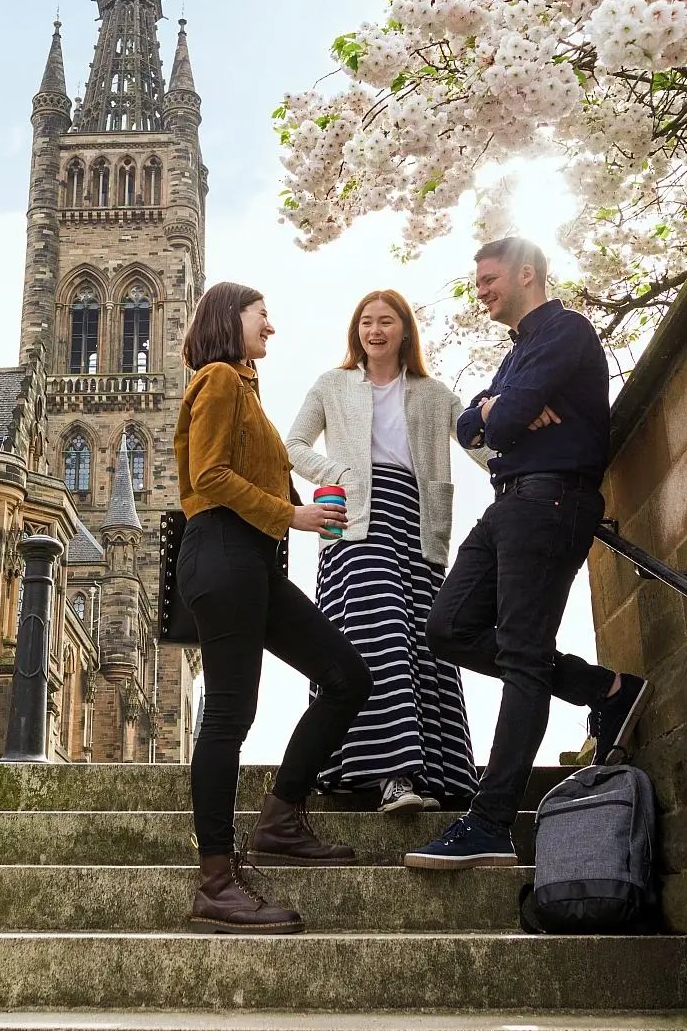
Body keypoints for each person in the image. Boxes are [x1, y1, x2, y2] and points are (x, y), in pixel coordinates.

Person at [405, 236, 648, 871]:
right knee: (448, 628)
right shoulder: (519, 355)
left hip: (553, 504)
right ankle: (605, 690)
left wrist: (501, 413)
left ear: (527, 274)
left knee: (520, 657)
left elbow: (501, 427)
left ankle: (490, 823)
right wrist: (493, 408)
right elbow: (472, 426)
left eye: (489, 278)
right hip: (509, 504)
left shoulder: (565, 332)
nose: (480, 289)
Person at [174, 282, 373, 932]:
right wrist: (295, 513)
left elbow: (261, 476)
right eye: (263, 315)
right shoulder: (219, 380)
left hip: (253, 561)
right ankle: (214, 881)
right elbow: (208, 476)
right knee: (231, 714)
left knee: (347, 676)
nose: (272, 327)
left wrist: (315, 501)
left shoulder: (245, 390)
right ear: (232, 318)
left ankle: (282, 818)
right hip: (223, 551)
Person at [286, 289, 478, 813]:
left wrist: (531, 456)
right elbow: (293, 446)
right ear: (356, 332)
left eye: (386, 321)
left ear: (404, 331)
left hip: (415, 526)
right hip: (353, 526)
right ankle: (392, 774)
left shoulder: (435, 395)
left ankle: (437, 775)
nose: (375, 330)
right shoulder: (332, 385)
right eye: (366, 322)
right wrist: (342, 475)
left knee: (423, 641)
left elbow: (482, 442)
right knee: (377, 639)